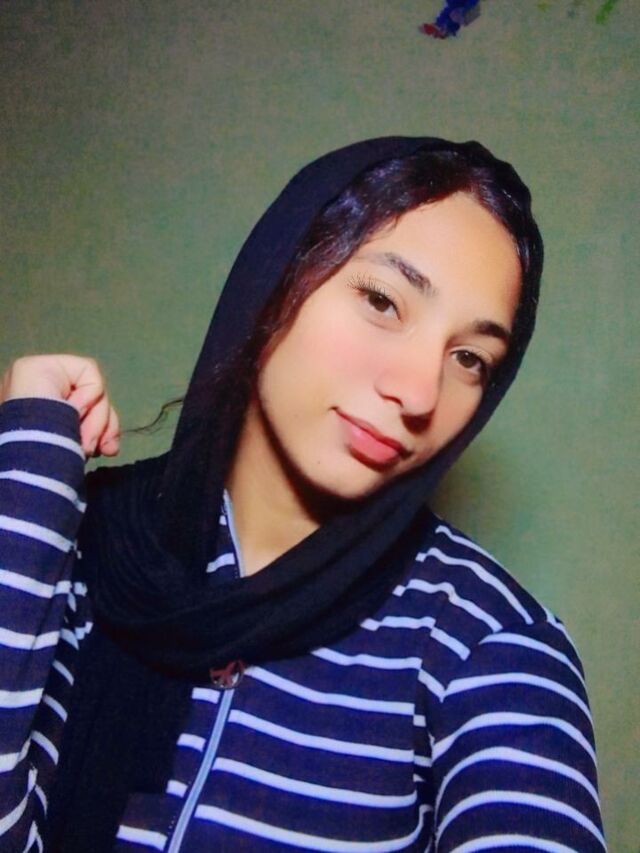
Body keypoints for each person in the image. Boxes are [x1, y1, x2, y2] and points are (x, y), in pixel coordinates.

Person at [0, 137, 605, 851]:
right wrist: (26, 473)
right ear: (277, 276)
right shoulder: (75, 542)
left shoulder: (490, 646)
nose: (419, 392)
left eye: (470, 358)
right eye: (382, 300)